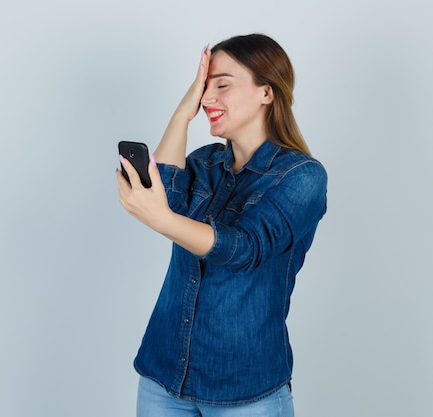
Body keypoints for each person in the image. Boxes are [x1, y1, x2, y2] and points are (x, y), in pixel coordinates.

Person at [116, 34, 327, 417]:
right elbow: (163, 191)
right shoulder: (207, 162)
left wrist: (163, 219)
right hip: (163, 377)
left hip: (245, 391)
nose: (208, 98)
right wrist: (184, 111)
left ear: (267, 92)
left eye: (222, 85)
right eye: (204, 86)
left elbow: (243, 248)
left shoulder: (302, 176)